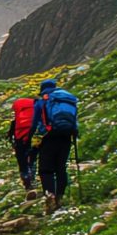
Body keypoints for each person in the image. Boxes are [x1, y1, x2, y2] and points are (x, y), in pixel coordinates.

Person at [32, 79, 78, 212]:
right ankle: (60, 197)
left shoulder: (43, 102)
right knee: (61, 168)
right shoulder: (68, 99)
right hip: (67, 135)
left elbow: (35, 122)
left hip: (49, 136)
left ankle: (50, 196)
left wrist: (32, 137)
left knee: (45, 169)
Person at [8, 97, 38, 199]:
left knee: (21, 159)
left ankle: (26, 180)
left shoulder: (18, 111)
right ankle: (32, 175)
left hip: (20, 137)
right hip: (33, 136)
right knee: (33, 156)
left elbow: (14, 125)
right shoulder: (35, 108)